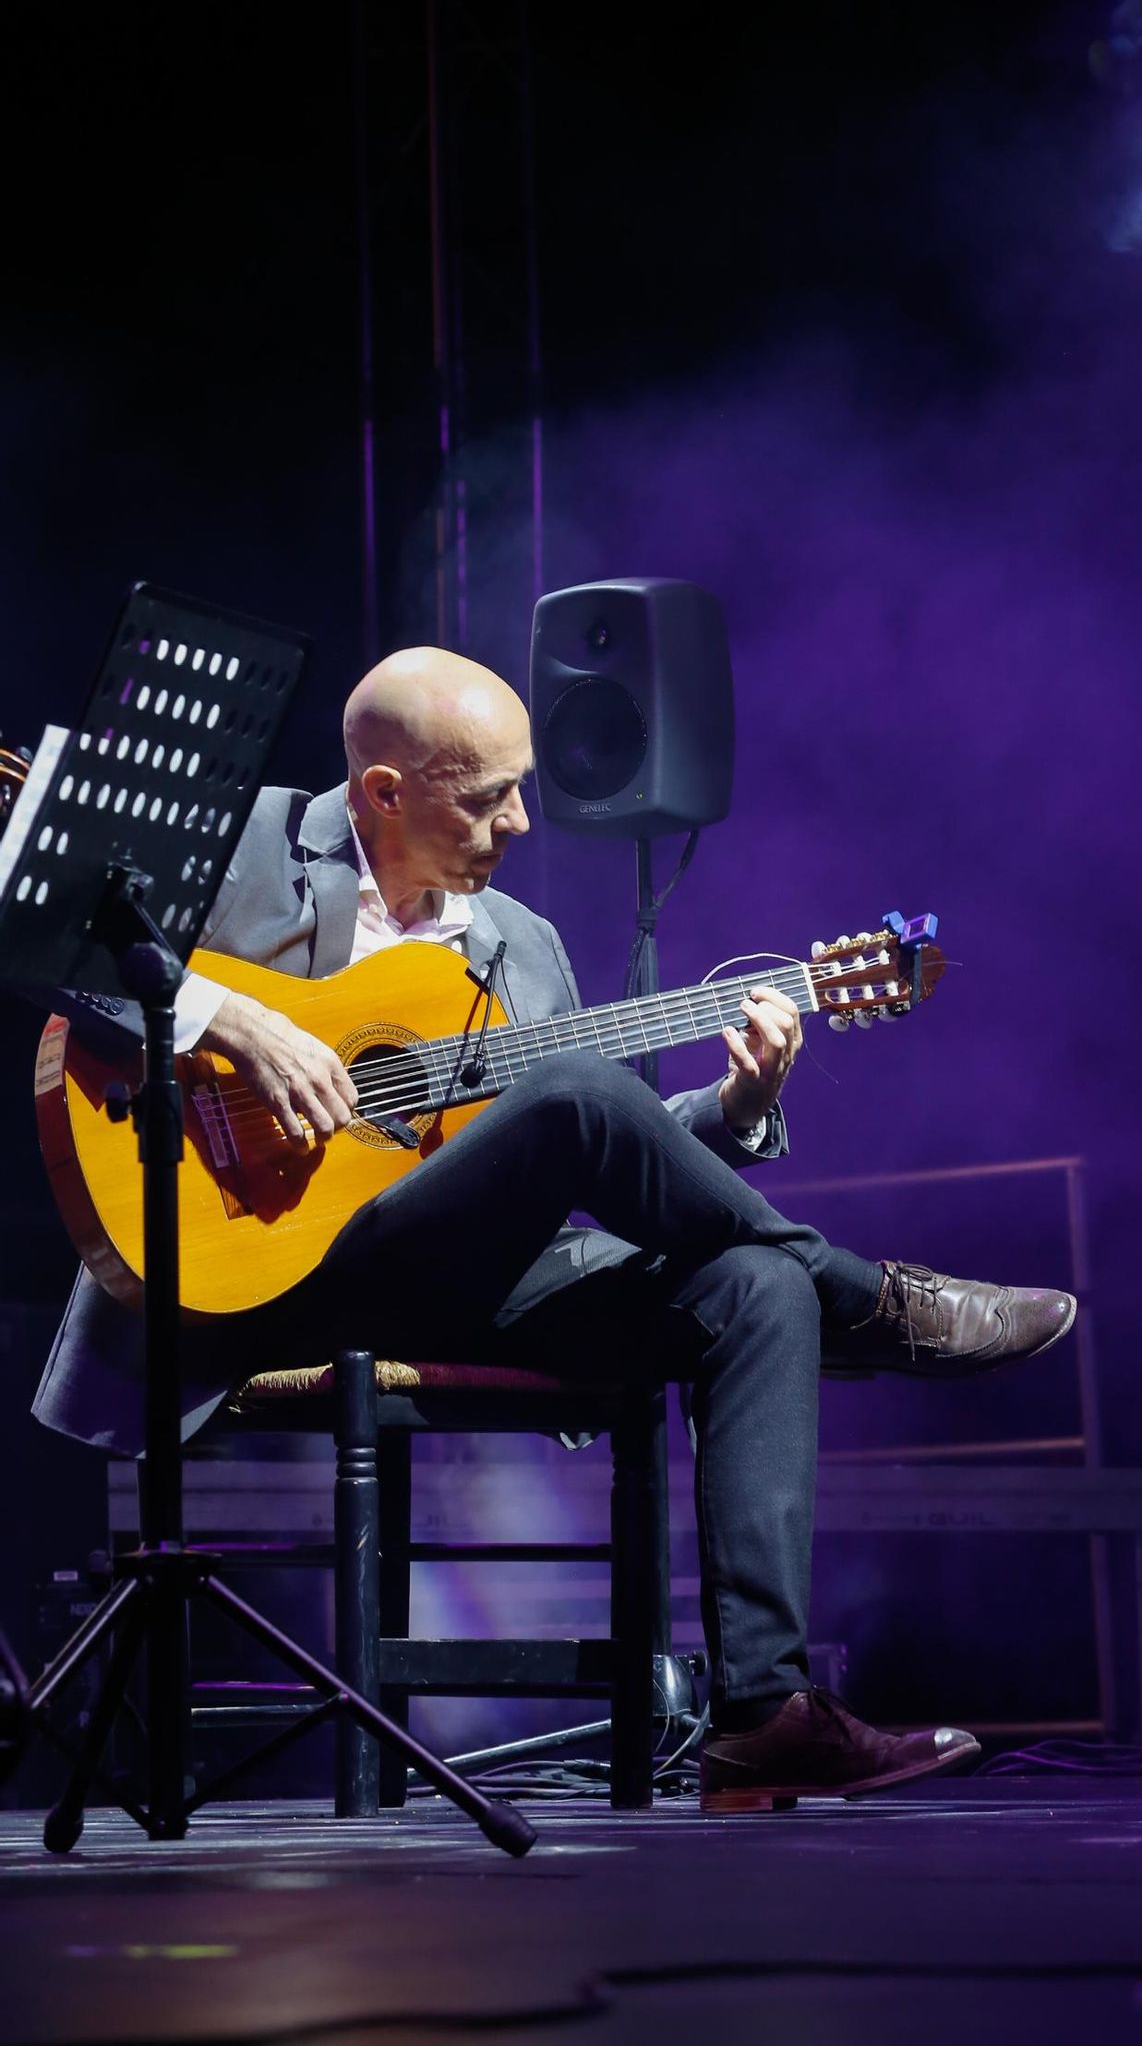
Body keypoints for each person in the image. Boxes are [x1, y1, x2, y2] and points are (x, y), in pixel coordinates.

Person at [34, 648, 1076, 1811]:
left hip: (472, 1275)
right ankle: (870, 1302)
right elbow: (51, 945)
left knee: (749, 1289)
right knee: (579, 1091)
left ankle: (761, 1717)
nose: (522, 820)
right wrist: (234, 1025)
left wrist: (737, 1108)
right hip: (269, 1271)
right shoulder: (245, 845)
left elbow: (611, 1139)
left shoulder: (518, 941)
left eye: (522, 787)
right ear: (384, 792)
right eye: (488, 795)